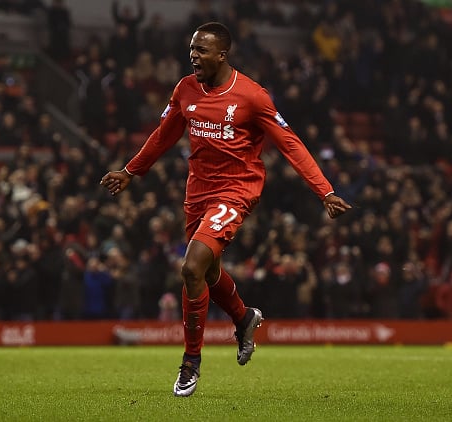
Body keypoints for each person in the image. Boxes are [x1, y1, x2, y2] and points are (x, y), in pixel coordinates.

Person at [100, 22, 352, 397]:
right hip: (197, 192)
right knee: (209, 273)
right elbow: (164, 134)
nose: (193, 56)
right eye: (192, 49)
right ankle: (244, 317)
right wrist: (130, 170)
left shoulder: (252, 96)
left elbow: (290, 143)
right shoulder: (185, 89)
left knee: (191, 267)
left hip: (236, 190)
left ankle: (191, 363)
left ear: (222, 54)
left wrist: (324, 191)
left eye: (202, 50)